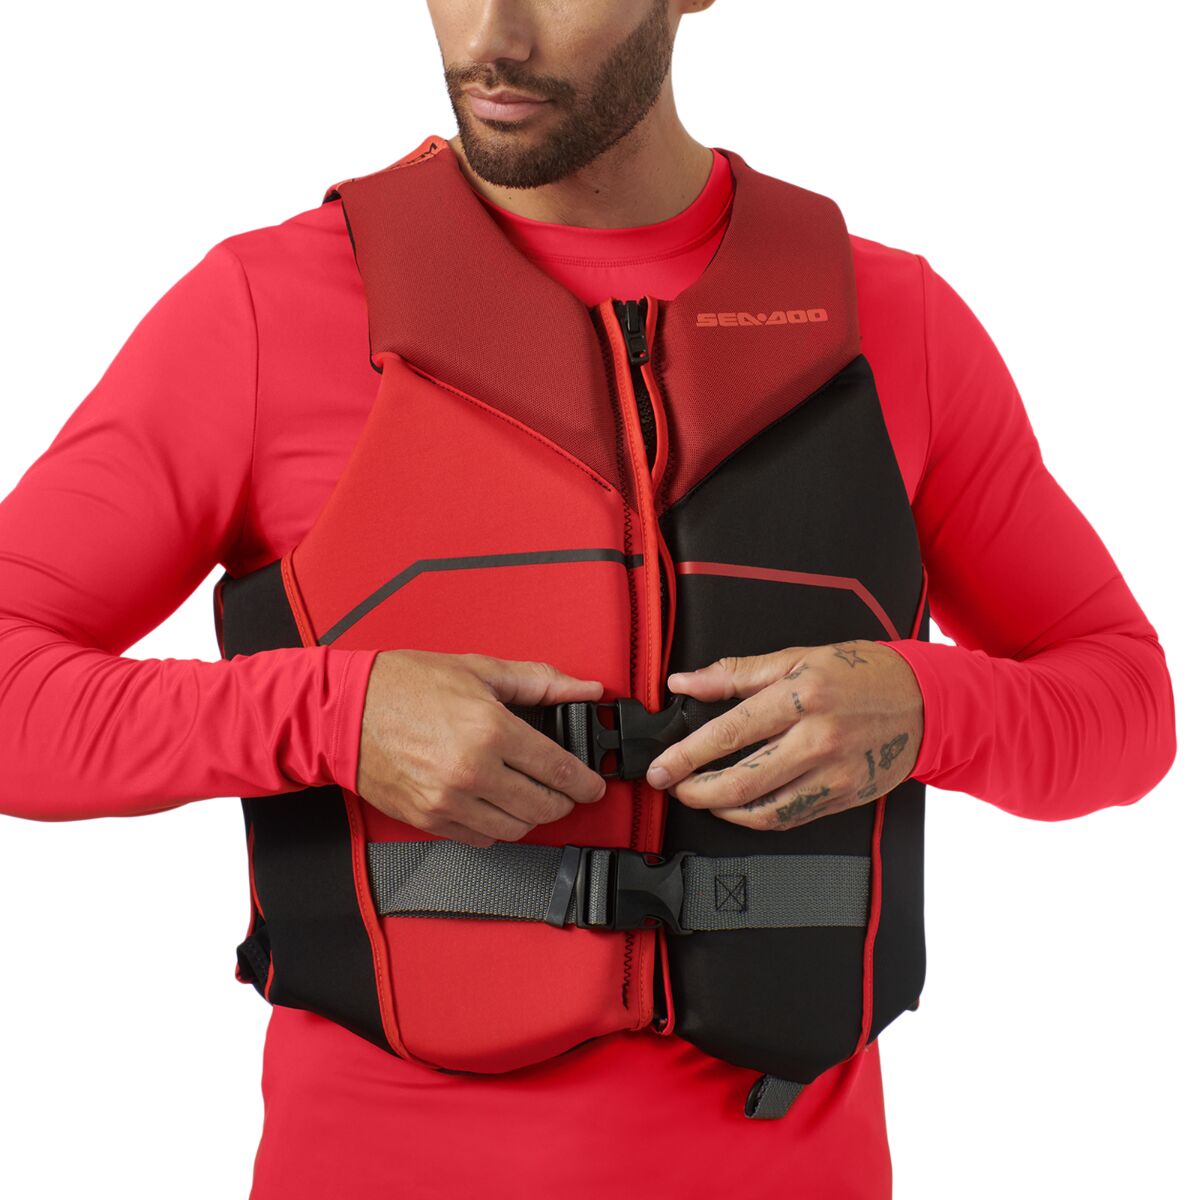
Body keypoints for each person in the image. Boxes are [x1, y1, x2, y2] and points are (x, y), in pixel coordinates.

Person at [0, 2, 1177, 1197]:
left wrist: (926, 708)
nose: (490, 36)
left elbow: (1129, 704)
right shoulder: (261, 311)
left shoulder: (894, 322)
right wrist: (334, 717)